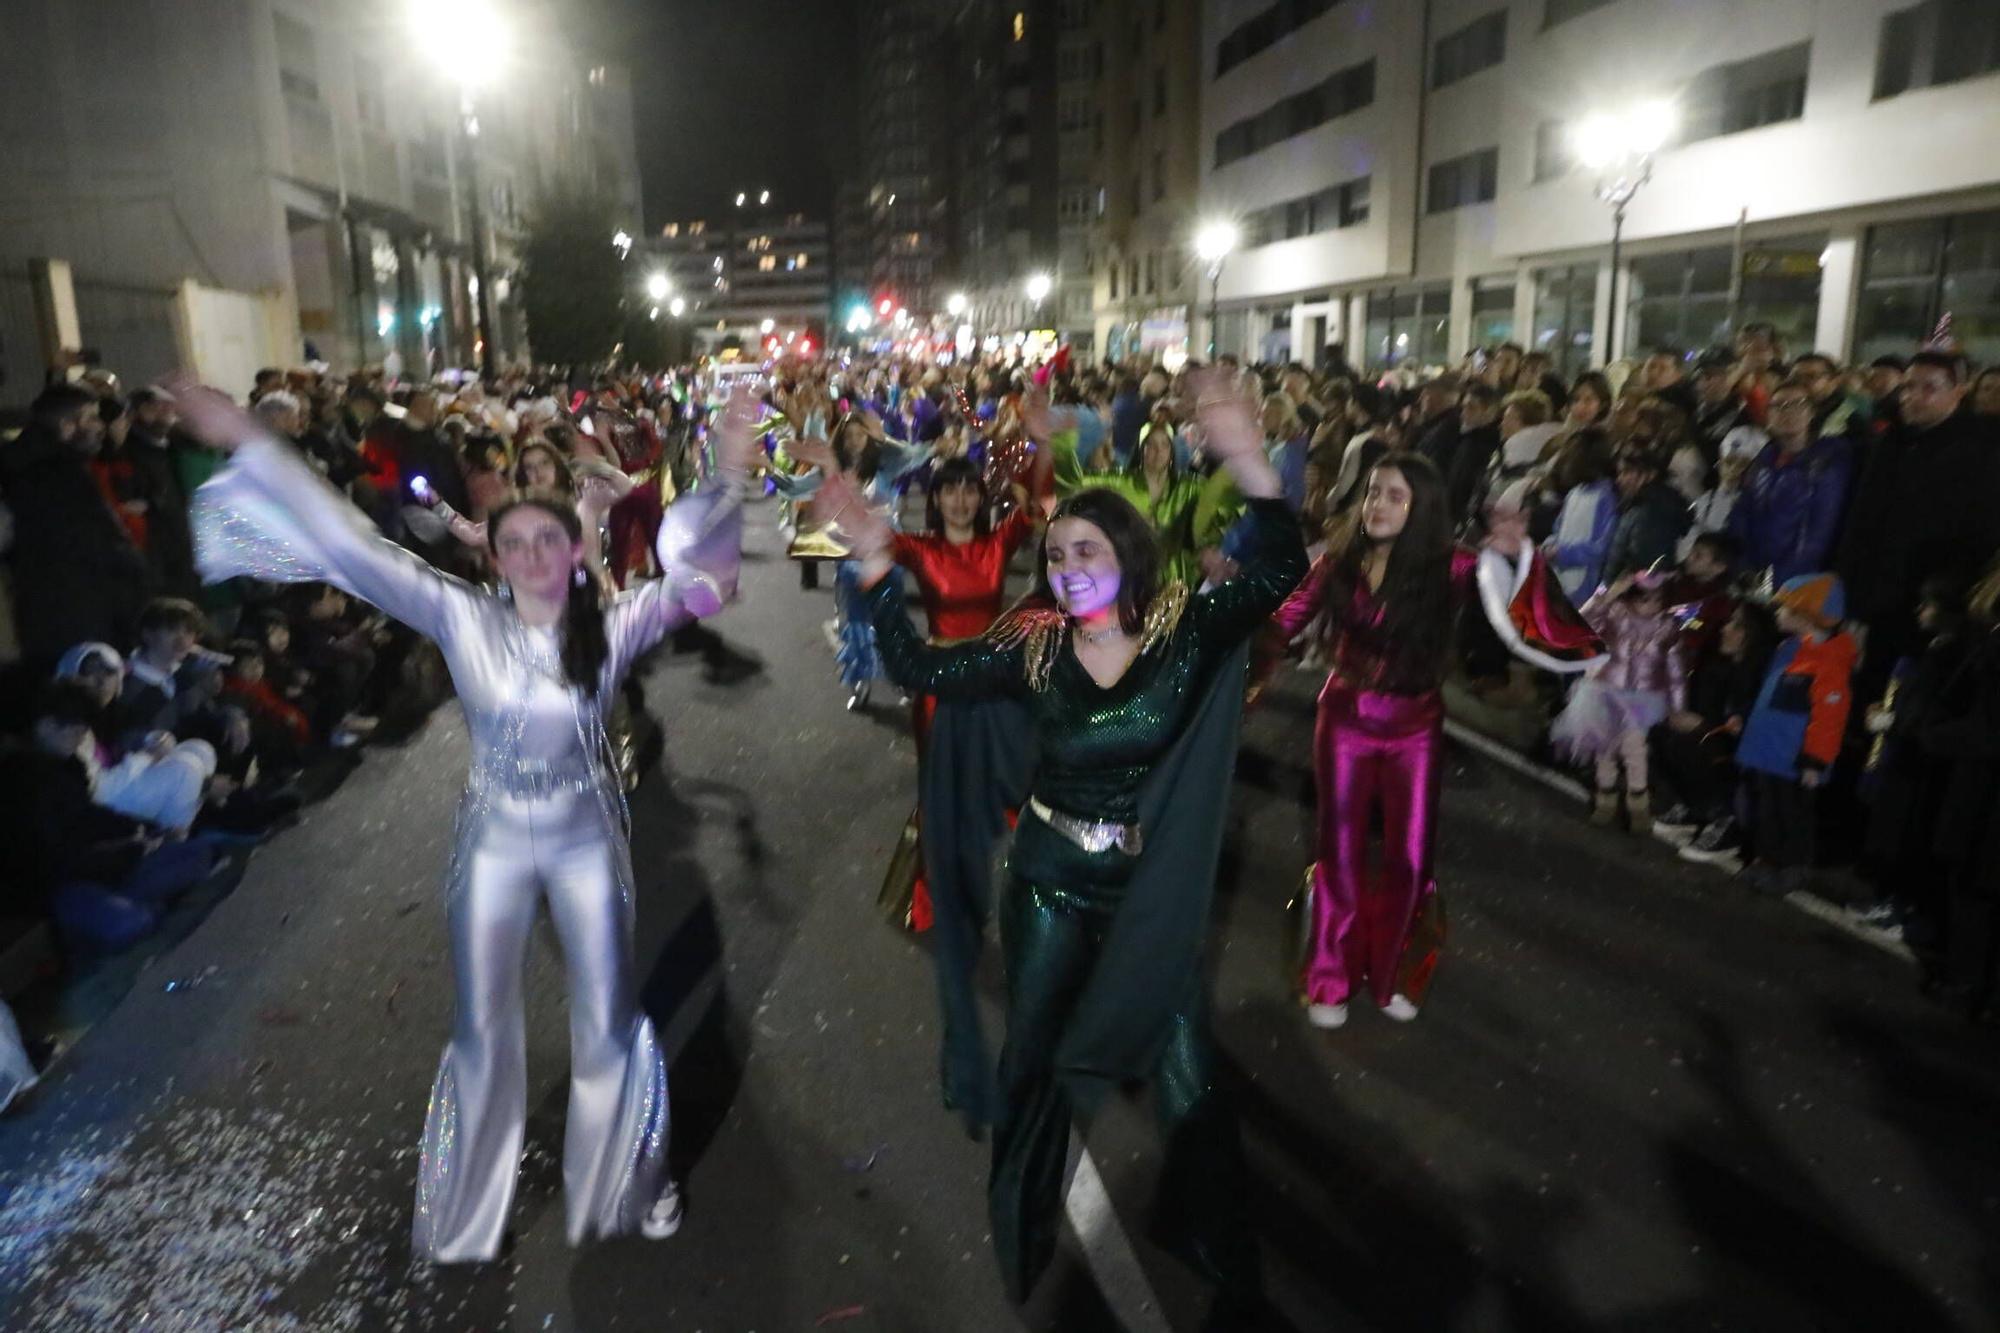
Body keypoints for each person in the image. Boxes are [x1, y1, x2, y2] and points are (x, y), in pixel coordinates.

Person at [176, 379, 759, 1263]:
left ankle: (632, 1178)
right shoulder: (457, 615)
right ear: (491, 554)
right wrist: (251, 440)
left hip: (583, 839)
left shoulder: (615, 625)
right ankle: (468, 1198)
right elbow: (349, 543)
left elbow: (698, 582)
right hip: (491, 841)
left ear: (573, 555)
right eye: (514, 540)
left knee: (605, 1019)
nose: (530, 554)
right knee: (484, 1025)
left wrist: (732, 467)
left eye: (548, 540)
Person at [828, 371, 1301, 1311]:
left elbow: (1279, 574)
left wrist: (1252, 465)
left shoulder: (1182, 629)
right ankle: (1023, 1226)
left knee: (1187, 1071)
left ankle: (1218, 1247)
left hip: (1142, 889)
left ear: (1128, 551)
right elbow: (921, 663)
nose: (1067, 566)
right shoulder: (1032, 642)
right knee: (1034, 1058)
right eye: (1054, 554)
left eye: (1086, 548)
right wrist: (879, 566)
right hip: (1045, 879)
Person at [1270, 455, 1602, 1029]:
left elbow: (1517, 601)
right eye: (1374, 492)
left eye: (1395, 496)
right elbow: (1280, 622)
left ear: (1421, 507)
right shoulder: (1336, 562)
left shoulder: (1452, 566)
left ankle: (1396, 969)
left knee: (1410, 855)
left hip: (1416, 725)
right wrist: (1212, 638)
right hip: (1345, 718)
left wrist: (1512, 553)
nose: (1377, 504)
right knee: (1340, 851)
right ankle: (1330, 975)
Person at [0, 679, 217, 953]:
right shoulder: (20, 783)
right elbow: (57, 861)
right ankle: (135, 909)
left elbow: (92, 817)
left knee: (198, 853)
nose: (81, 736)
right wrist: (131, 852)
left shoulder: (67, 766)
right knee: (128, 922)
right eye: (73, 728)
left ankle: (141, 903)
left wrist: (145, 831)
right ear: (45, 726)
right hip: (58, 888)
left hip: (101, 867)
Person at [0, 384, 151, 671]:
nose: (100, 426)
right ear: (67, 425)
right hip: (82, 623)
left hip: (42, 622)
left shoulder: (23, 469)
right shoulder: (60, 476)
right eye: (92, 417)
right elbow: (103, 550)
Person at [1733, 573, 1859, 896]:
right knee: (1768, 810)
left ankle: (1792, 867)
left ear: (1807, 615)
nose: (1778, 613)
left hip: (1793, 758)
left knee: (1792, 814)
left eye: (1785, 609)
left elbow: (1830, 715)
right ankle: (1767, 860)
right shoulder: (1789, 648)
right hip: (1770, 752)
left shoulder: (1829, 662)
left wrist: (1816, 760)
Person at [1553, 571, 1686, 834]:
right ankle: (1606, 796)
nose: (1652, 605)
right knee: (1604, 747)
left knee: (1635, 748)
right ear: (1631, 598)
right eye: (1645, 599)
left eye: (1658, 599)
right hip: (1605, 690)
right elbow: (1584, 619)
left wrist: (1678, 707)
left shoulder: (1668, 626)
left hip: (1644, 697)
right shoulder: (1615, 613)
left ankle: (1638, 802)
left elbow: (1676, 669)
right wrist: (1608, 595)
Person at [1728, 379, 1854, 586]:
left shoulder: (1828, 462)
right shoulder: (1763, 461)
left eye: (1797, 404)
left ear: (1811, 412)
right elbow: (1743, 512)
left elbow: (1821, 528)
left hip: (1799, 581)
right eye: (1778, 406)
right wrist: (1744, 565)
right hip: (1755, 576)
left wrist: (1787, 578)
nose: (1788, 413)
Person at [1605, 446, 1691, 581]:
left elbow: (1643, 568)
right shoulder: (1639, 506)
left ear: (1650, 474)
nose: (1619, 480)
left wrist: (1613, 591)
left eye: (1626, 472)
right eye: (1619, 473)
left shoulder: (1650, 513)